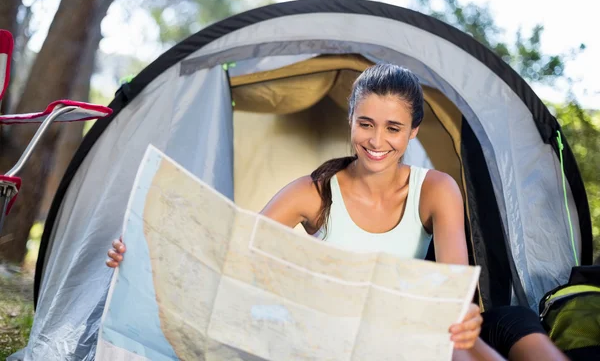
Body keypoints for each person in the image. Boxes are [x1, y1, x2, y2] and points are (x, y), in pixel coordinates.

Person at [107, 64, 568, 361]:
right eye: (365, 123)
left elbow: (453, 289)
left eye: (393, 128)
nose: (376, 140)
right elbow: (232, 251)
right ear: (350, 121)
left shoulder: (437, 190)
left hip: (408, 330)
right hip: (327, 337)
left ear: (413, 133)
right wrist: (147, 245)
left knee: (497, 330)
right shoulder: (313, 192)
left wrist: (464, 319)